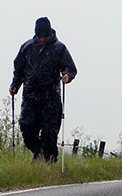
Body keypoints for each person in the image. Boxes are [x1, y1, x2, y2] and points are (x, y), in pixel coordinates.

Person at [9, 17, 77, 162]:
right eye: (40, 37)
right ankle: (38, 152)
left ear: (50, 34)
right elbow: (19, 70)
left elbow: (70, 68)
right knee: (27, 128)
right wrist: (15, 85)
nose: (42, 39)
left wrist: (67, 76)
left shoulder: (59, 48)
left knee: (49, 132)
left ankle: (50, 160)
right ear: (36, 35)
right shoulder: (26, 47)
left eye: (45, 36)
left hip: (51, 96)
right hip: (30, 95)